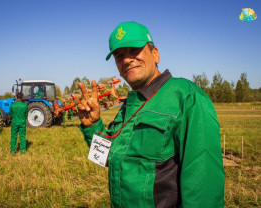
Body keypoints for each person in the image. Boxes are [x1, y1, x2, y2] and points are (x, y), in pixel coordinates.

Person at [77, 21, 224, 208]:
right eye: (119, 56)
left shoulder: (187, 97)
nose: (127, 60)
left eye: (134, 50)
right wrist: (93, 126)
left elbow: (203, 185)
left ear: (156, 54)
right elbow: (109, 159)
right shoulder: (131, 104)